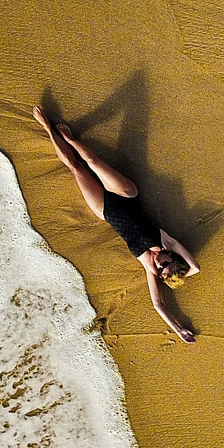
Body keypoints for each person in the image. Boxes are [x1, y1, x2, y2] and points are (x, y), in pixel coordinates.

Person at [33, 106, 200, 342]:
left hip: (106, 210)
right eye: (167, 264)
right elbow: (195, 268)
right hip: (125, 195)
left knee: (75, 167)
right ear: (173, 258)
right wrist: (180, 274)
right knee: (92, 161)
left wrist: (178, 329)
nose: (161, 264)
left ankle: (47, 128)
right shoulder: (167, 242)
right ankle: (71, 140)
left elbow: (158, 304)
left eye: (162, 270)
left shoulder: (149, 266)